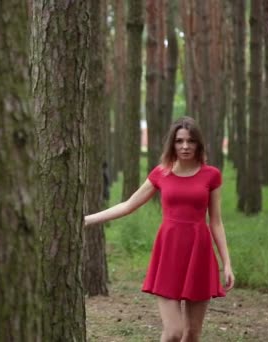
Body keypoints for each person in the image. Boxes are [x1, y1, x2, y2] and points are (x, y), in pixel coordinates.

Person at [84, 116, 234, 342]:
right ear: (172, 144)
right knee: (173, 332)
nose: (185, 146)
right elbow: (128, 205)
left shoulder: (211, 175)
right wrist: (85, 220)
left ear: (198, 144)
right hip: (169, 252)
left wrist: (227, 263)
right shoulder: (161, 173)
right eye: (179, 141)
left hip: (199, 252)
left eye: (191, 141)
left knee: (192, 334)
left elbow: (216, 222)